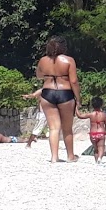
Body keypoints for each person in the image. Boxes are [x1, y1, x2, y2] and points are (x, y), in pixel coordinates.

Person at [35, 35, 81, 164]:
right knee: (67, 128)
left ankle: (54, 157)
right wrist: (78, 98)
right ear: (63, 47)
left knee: (53, 128)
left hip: (47, 93)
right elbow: (74, 81)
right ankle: (70, 156)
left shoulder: (42, 61)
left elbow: (39, 76)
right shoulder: (69, 60)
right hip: (65, 93)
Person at [84, 97, 106, 162]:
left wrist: (76, 108)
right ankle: (100, 158)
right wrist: (105, 130)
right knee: (101, 147)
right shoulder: (103, 115)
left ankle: (96, 160)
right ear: (101, 105)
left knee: (95, 148)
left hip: (93, 134)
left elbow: (80, 116)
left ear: (92, 105)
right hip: (101, 133)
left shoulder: (91, 114)